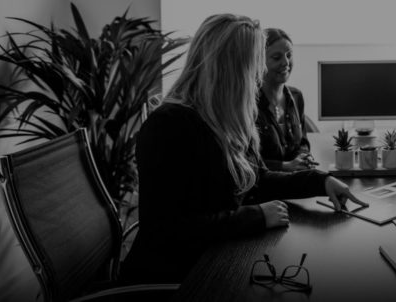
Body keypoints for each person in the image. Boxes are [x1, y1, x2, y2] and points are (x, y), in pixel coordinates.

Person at [120, 14, 366, 284]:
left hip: (220, 260)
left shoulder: (230, 117)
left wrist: (321, 181)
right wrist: (256, 216)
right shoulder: (168, 125)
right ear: (230, 69)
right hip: (176, 279)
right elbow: (168, 230)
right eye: (255, 66)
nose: (259, 77)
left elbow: (257, 181)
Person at [257, 28, 317, 171]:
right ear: (259, 61)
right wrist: (285, 166)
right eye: (276, 58)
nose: (286, 62)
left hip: (295, 182)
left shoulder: (297, 97)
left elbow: (302, 142)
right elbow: (244, 161)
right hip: (266, 187)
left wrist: (304, 157)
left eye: (289, 55)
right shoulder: (247, 103)